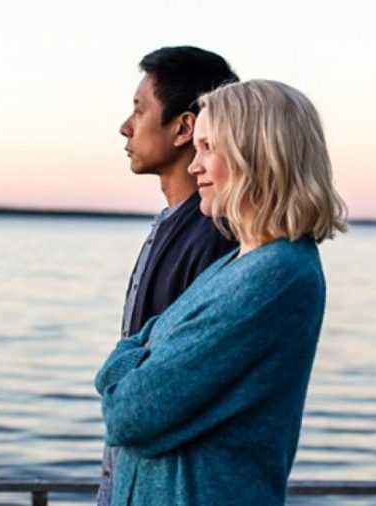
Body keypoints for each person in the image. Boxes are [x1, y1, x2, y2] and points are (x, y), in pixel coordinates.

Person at [95, 79, 347, 505]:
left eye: (209, 147)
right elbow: (137, 352)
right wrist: (135, 359)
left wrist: (126, 364)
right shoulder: (233, 265)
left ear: (259, 154)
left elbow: (129, 415)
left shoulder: (275, 276)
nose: (194, 166)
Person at [96, 46, 239, 505]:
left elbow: (175, 387)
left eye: (140, 110)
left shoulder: (214, 235)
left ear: (183, 128)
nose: (126, 126)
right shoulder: (174, 223)